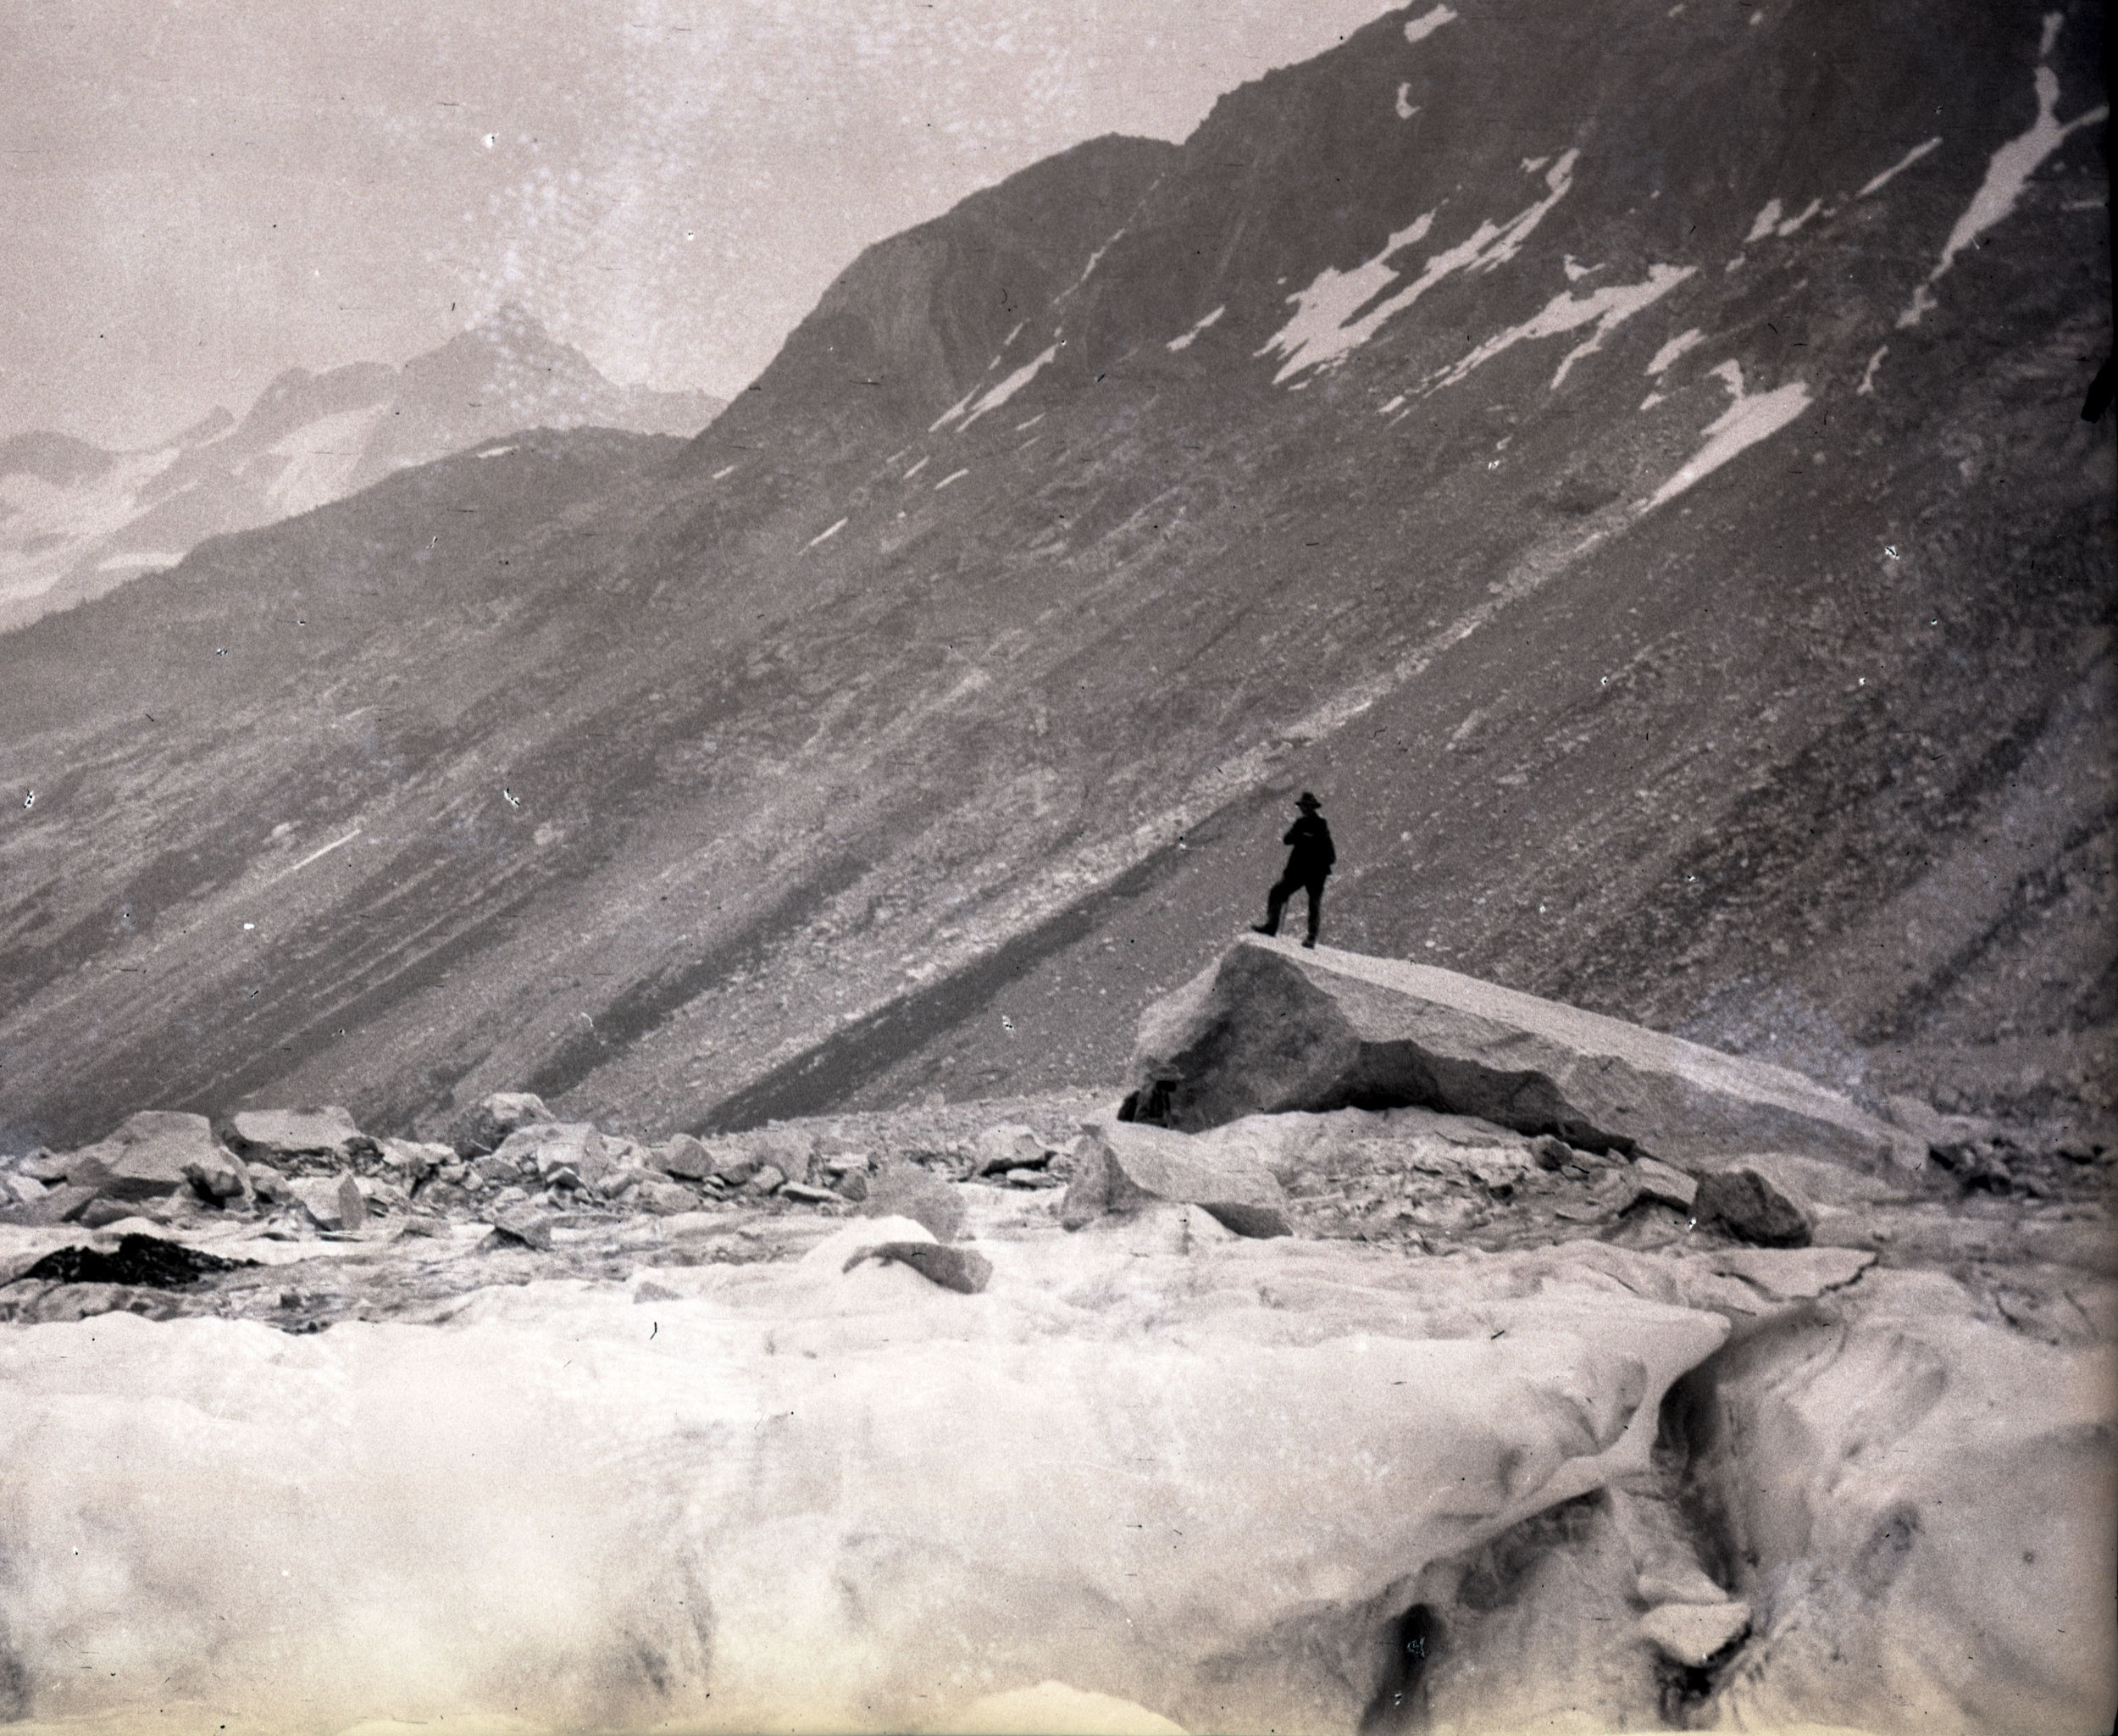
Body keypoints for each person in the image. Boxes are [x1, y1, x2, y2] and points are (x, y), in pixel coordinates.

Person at [1252, 791, 1334, 947]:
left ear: (1312, 807)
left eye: (1307, 806)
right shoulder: (1302, 824)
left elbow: (1324, 849)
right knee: (1278, 892)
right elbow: (1287, 839)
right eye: (1303, 806)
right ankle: (1272, 926)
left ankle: (1310, 937)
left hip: (1314, 871)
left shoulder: (1320, 825)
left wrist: (1303, 838)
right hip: (1303, 870)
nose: (1304, 809)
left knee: (1313, 903)